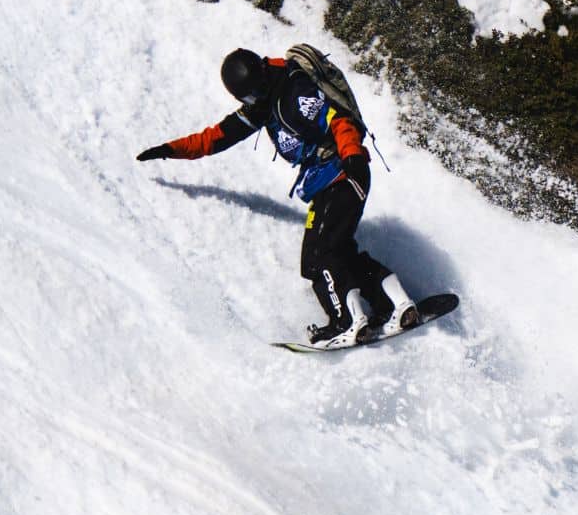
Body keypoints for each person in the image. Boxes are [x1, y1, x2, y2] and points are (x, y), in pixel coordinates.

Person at [136, 47, 418, 348]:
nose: (252, 101)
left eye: (253, 94)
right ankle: (396, 305)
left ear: (261, 79)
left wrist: (352, 158)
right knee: (340, 253)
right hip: (334, 180)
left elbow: (337, 120)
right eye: (246, 98)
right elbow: (214, 138)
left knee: (317, 258)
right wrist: (169, 149)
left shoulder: (296, 91)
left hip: (342, 176)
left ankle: (346, 323)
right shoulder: (263, 104)